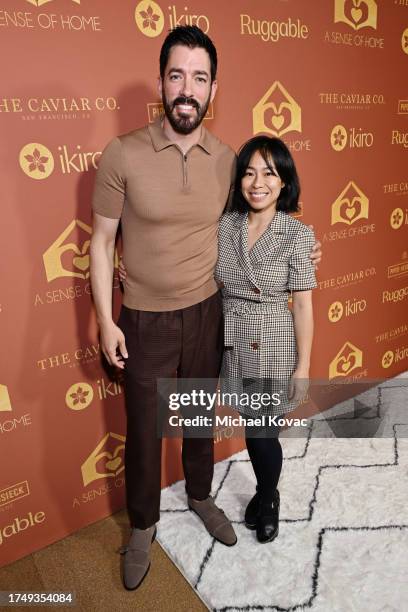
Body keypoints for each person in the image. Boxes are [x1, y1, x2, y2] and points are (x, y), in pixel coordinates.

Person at [90, 25, 321, 591]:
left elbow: (259, 216)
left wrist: (303, 243)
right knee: (143, 429)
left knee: (197, 419)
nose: (187, 89)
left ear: (213, 89)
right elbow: (100, 243)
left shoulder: (229, 160)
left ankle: (198, 496)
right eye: (177, 76)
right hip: (142, 315)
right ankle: (143, 525)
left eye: (199, 77)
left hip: (208, 313)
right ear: (162, 82)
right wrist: (103, 318)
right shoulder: (121, 153)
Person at [216, 135, 316, 543]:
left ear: (283, 182)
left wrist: (304, 365)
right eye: (249, 171)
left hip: (273, 338)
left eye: (269, 173)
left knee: (262, 430)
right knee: (251, 424)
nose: (257, 182)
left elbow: (304, 306)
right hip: (232, 339)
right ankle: (265, 491)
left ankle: (267, 496)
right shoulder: (225, 224)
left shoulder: (297, 234)